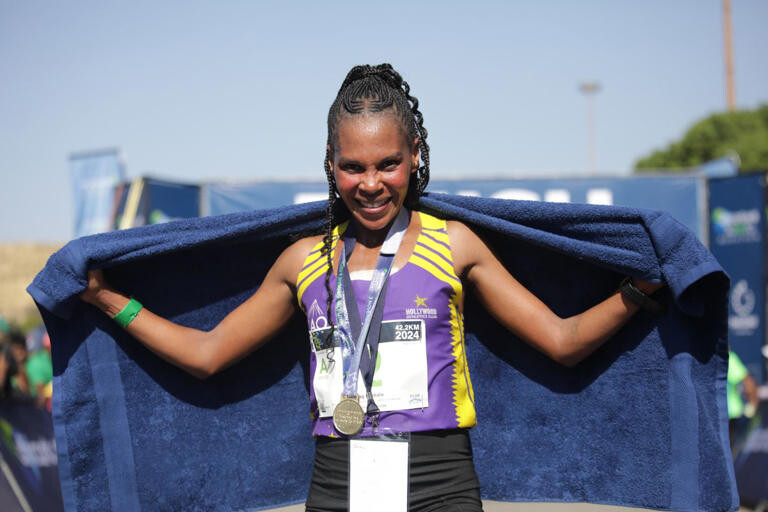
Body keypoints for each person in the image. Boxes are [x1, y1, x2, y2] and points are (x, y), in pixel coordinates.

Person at [80, 63, 663, 512]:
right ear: (330, 163)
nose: (371, 184)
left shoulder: (456, 245)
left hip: (442, 483)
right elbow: (208, 355)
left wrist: (639, 290)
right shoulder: (303, 262)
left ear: (415, 156)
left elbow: (562, 341)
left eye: (388, 163)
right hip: (339, 482)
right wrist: (107, 299)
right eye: (353, 166)